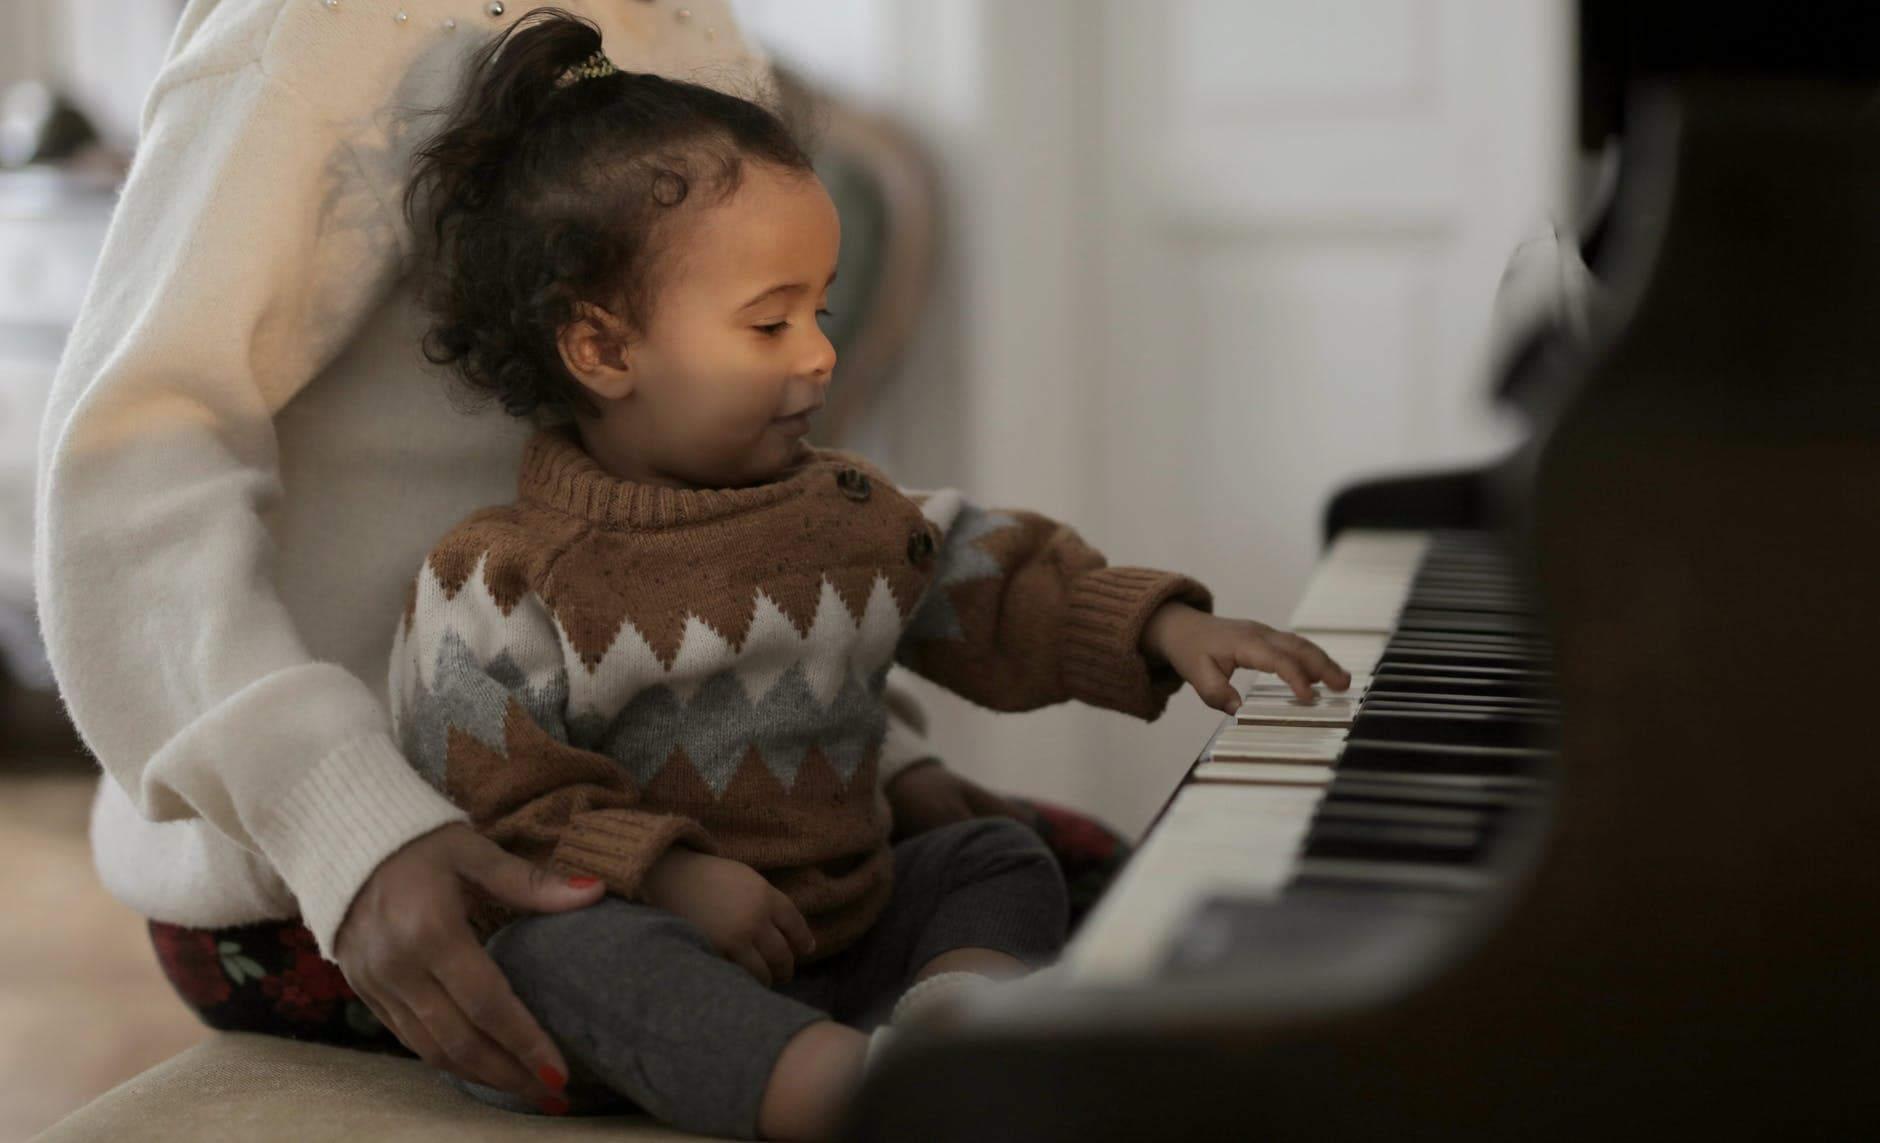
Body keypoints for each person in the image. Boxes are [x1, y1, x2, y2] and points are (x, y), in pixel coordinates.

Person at [32, 0, 1114, 1124]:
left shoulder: (693, 33)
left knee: (1108, 894)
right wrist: (348, 830)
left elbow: (698, 495)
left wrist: (861, 758)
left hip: (688, 808)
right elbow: (129, 470)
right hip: (366, 861)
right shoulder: (322, 33)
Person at [382, 11, 1351, 1140]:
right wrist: (675, 876)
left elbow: (996, 580)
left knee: (993, 854)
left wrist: (1163, 631)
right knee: (559, 952)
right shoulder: (502, 576)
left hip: (846, 933)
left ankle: (949, 1038)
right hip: (663, 949)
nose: (817, 353)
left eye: (820, 308)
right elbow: (500, 806)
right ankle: (845, 1096)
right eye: (766, 323)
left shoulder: (846, 514)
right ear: (602, 349)